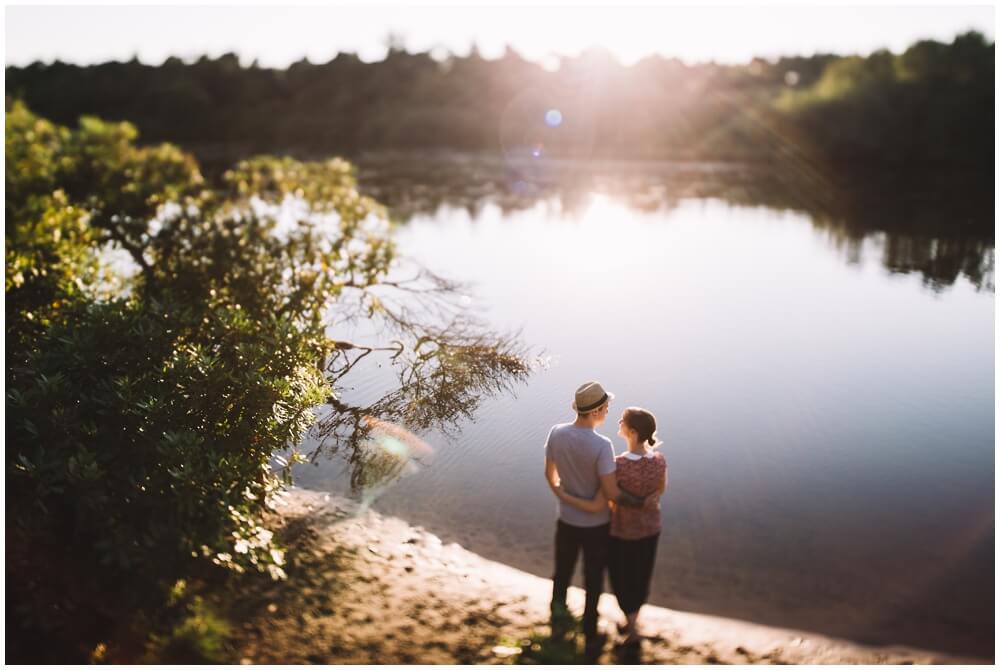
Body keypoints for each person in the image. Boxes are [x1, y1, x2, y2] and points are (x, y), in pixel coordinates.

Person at [543, 381, 645, 660]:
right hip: (596, 526)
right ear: (597, 410)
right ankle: (589, 635)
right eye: (606, 407)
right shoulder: (602, 445)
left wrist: (565, 497)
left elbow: (550, 476)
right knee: (593, 580)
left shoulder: (556, 432)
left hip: (566, 520)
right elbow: (611, 492)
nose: (609, 411)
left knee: (562, 573)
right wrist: (636, 500)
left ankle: (557, 623)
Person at [549, 406, 667, 647]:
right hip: (651, 529)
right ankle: (631, 623)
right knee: (642, 575)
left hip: (622, 532)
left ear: (632, 432)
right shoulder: (659, 460)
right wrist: (645, 503)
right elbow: (660, 491)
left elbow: (606, 499)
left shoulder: (619, 464)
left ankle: (631, 631)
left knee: (620, 578)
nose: (618, 424)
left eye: (622, 422)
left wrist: (563, 494)